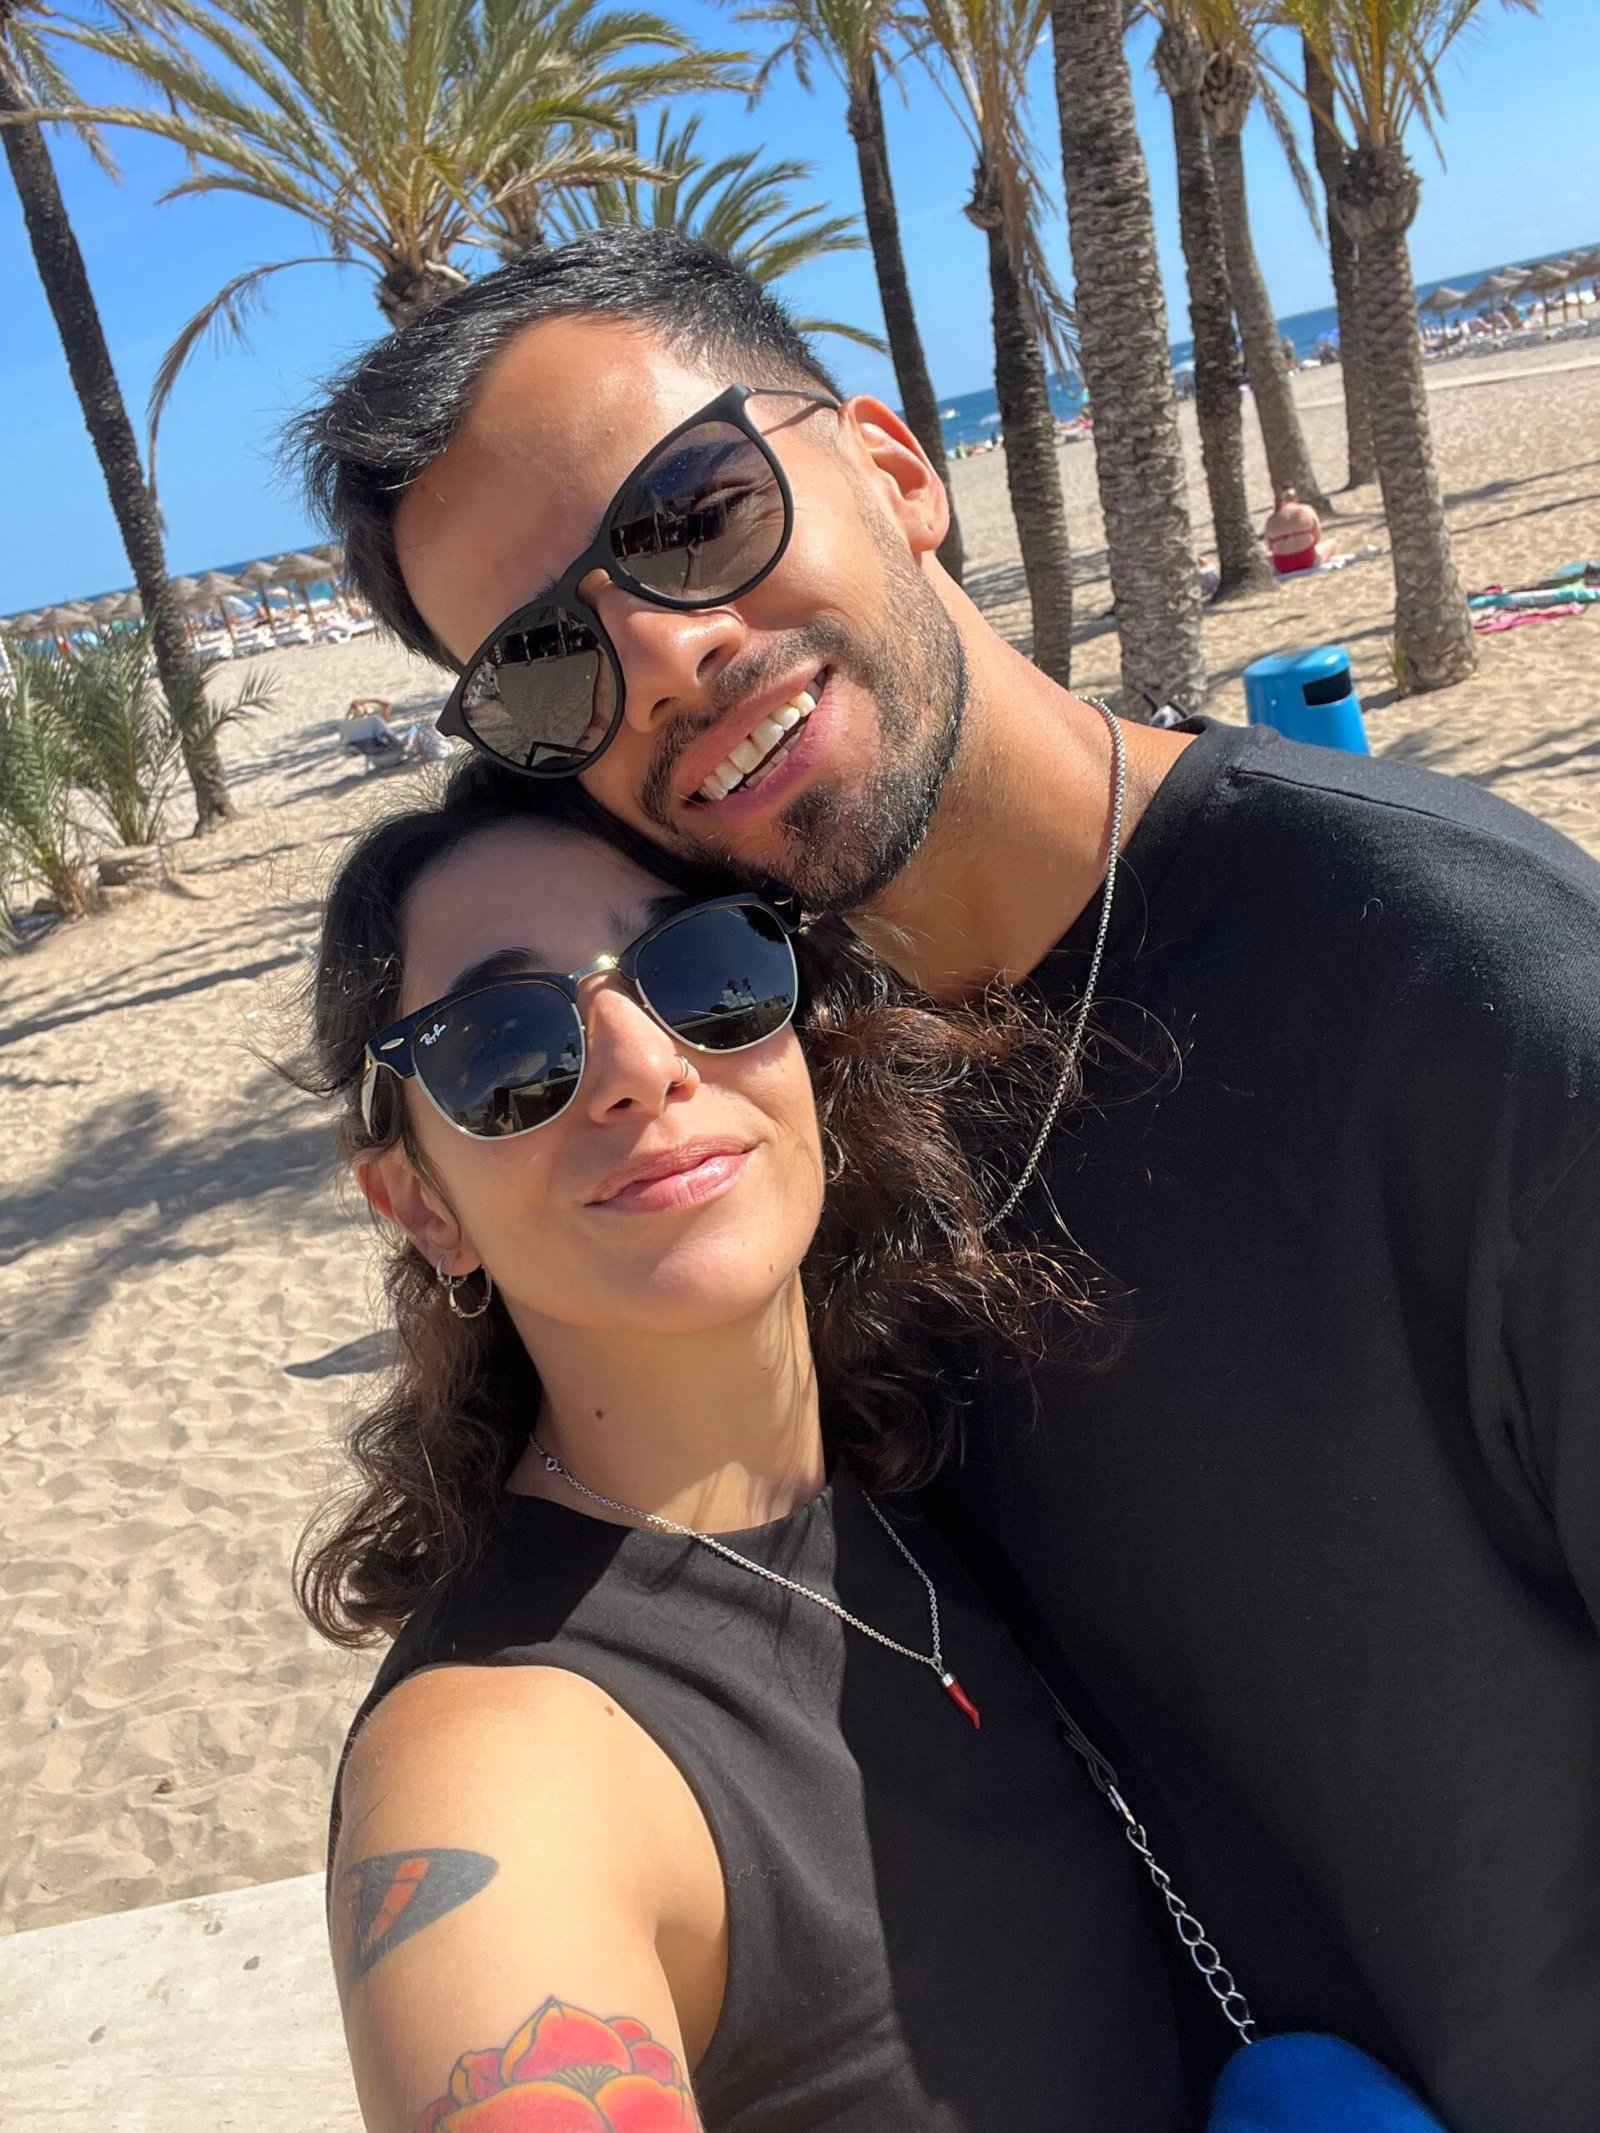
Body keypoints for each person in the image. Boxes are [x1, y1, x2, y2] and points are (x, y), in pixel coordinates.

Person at [293, 229, 1600, 2131]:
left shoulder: (1464, 988)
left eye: (694, 514)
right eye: (545, 662)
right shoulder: (826, 1126)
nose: (662, 655)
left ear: (898, 473)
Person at [300, 767, 1209, 2130]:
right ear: (422, 1205)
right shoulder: (502, 1772)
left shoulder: (954, 1456)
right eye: (504, 1049)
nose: (644, 1066)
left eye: (703, 970)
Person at [1260, 487, 1330, 575]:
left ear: (1281, 502)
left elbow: (1270, 547)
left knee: (1265, 557)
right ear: (1296, 499)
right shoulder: (1306, 510)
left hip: (1282, 565)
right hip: (1308, 560)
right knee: (1331, 543)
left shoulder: (1271, 520)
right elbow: (1317, 538)